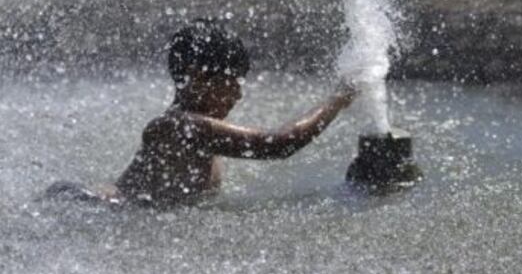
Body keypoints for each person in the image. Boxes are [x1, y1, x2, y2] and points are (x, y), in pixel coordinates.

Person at [45, 19, 357, 208]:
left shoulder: (202, 128)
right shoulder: (178, 126)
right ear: (197, 76)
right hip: (95, 207)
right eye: (231, 83)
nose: (238, 93)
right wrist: (337, 101)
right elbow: (276, 144)